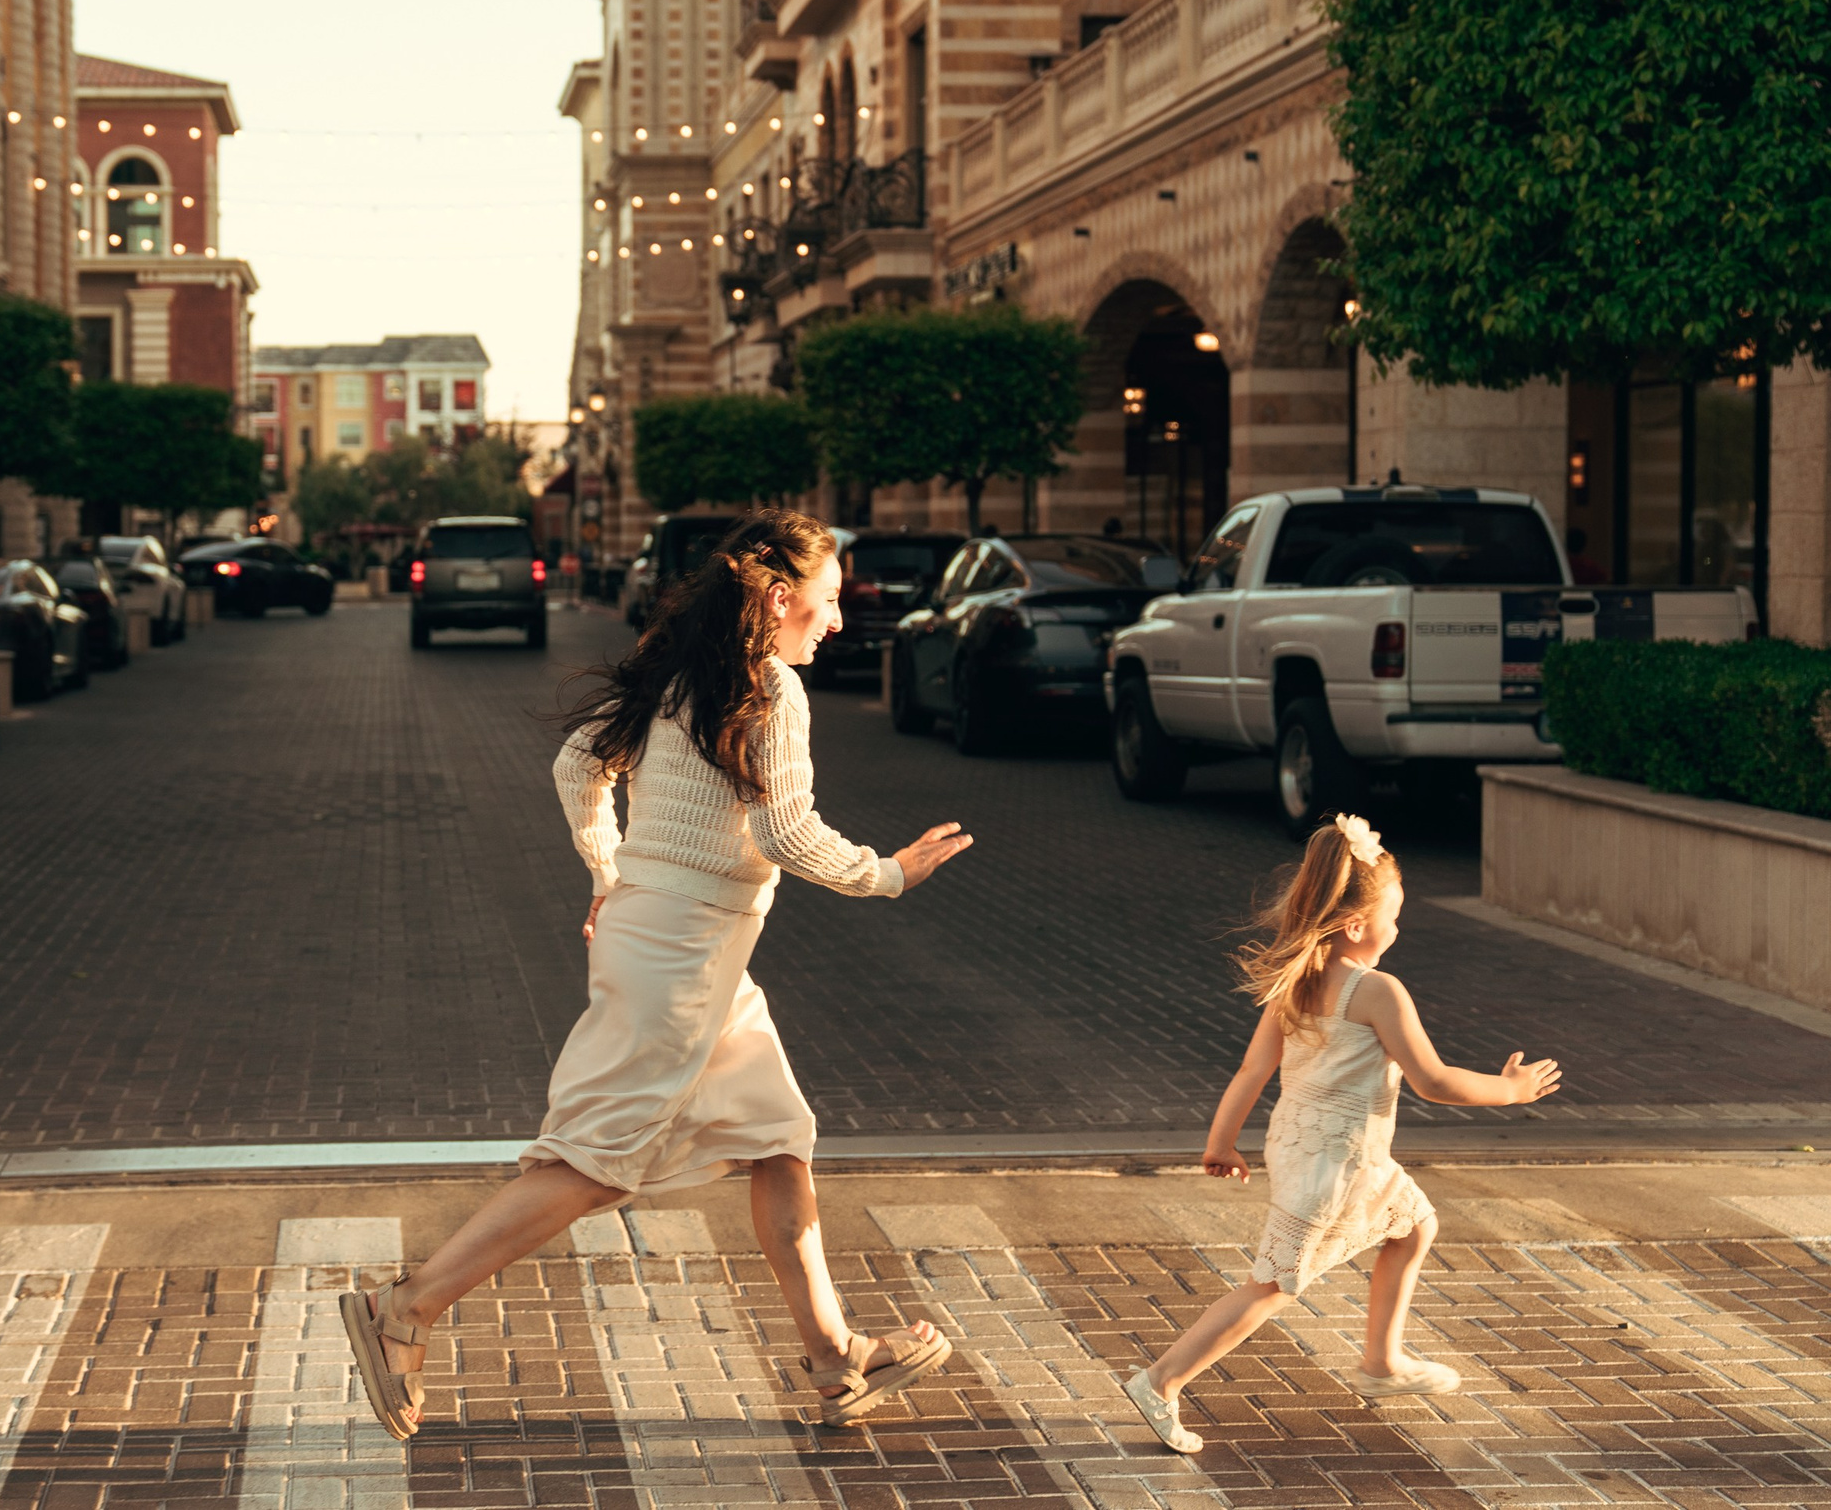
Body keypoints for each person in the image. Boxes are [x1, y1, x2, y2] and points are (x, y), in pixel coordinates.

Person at [342, 508, 973, 1439]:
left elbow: (575, 766)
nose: (837, 621)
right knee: (597, 1161)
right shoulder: (766, 689)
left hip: (692, 947)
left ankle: (837, 1356)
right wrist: (888, 873)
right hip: (680, 953)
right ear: (783, 596)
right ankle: (406, 1308)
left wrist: (613, 870)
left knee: (776, 1136)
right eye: (830, 601)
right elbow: (784, 832)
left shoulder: (684, 670)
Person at [1122, 815, 1565, 1453]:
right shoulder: (1376, 990)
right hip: (1337, 1165)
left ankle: (1382, 1363)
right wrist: (1511, 1090)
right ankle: (1162, 1380)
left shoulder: (1296, 985)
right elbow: (1433, 1081)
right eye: (1394, 915)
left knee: (1414, 1226)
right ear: (1357, 925)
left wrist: (1221, 1141)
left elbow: (1252, 1070)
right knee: (1273, 1285)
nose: (1398, 927)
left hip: (1309, 1148)